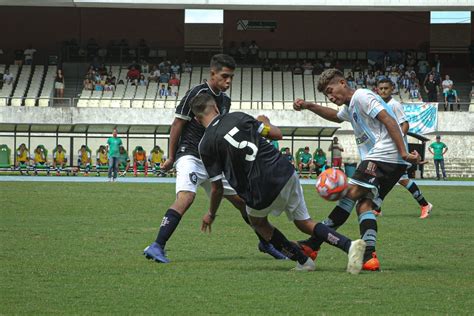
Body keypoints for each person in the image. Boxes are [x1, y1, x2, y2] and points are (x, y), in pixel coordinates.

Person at [191, 93, 366, 273]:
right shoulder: (238, 117)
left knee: (258, 223)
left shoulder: (205, 145)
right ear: (216, 108)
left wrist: (211, 213)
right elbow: (277, 134)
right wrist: (264, 123)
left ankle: (303, 260)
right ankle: (348, 245)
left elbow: (217, 187)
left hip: (258, 186)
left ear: (197, 120)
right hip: (284, 170)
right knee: (304, 222)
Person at [143, 54, 287, 264]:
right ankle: (157, 245)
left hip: (213, 161)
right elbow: (177, 124)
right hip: (190, 154)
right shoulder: (197, 94)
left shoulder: (225, 101)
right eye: (224, 76)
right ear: (212, 73)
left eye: (231, 77)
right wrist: (172, 156)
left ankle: (265, 242)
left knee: (243, 202)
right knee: (186, 197)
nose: (228, 81)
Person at [293, 68, 420, 271]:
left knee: (349, 194)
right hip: (393, 161)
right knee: (364, 205)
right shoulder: (350, 105)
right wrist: (309, 106)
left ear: (342, 83)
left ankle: (313, 244)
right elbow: (335, 116)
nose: (330, 96)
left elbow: (388, 119)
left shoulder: (362, 96)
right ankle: (369, 257)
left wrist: (404, 151)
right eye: (327, 94)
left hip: (383, 155)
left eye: (331, 89)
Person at [376, 78, 433, 218]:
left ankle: (425, 205)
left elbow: (405, 124)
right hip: (384, 148)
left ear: (392, 89)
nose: (383, 90)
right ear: (377, 89)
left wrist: (398, 140)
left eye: (386, 88)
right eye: (381, 88)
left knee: (395, 179)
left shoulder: (394, 105)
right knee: (389, 179)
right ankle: (376, 207)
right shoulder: (378, 104)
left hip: (395, 150)